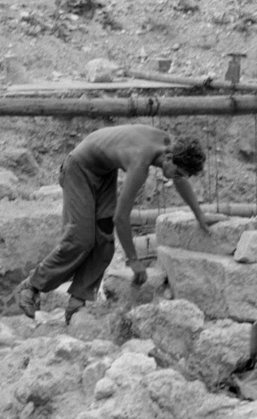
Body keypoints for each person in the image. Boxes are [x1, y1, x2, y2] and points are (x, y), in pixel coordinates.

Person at [16, 125, 212, 324]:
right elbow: (121, 217)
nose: (177, 178)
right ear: (169, 159)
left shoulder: (172, 148)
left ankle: (77, 304)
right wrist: (134, 260)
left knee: (105, 242)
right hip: (78, 167)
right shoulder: (140, 162)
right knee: (80, 239)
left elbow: (180, 179)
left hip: (104, 172)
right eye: (178, 173)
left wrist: (200, 216)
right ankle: (31, 286)